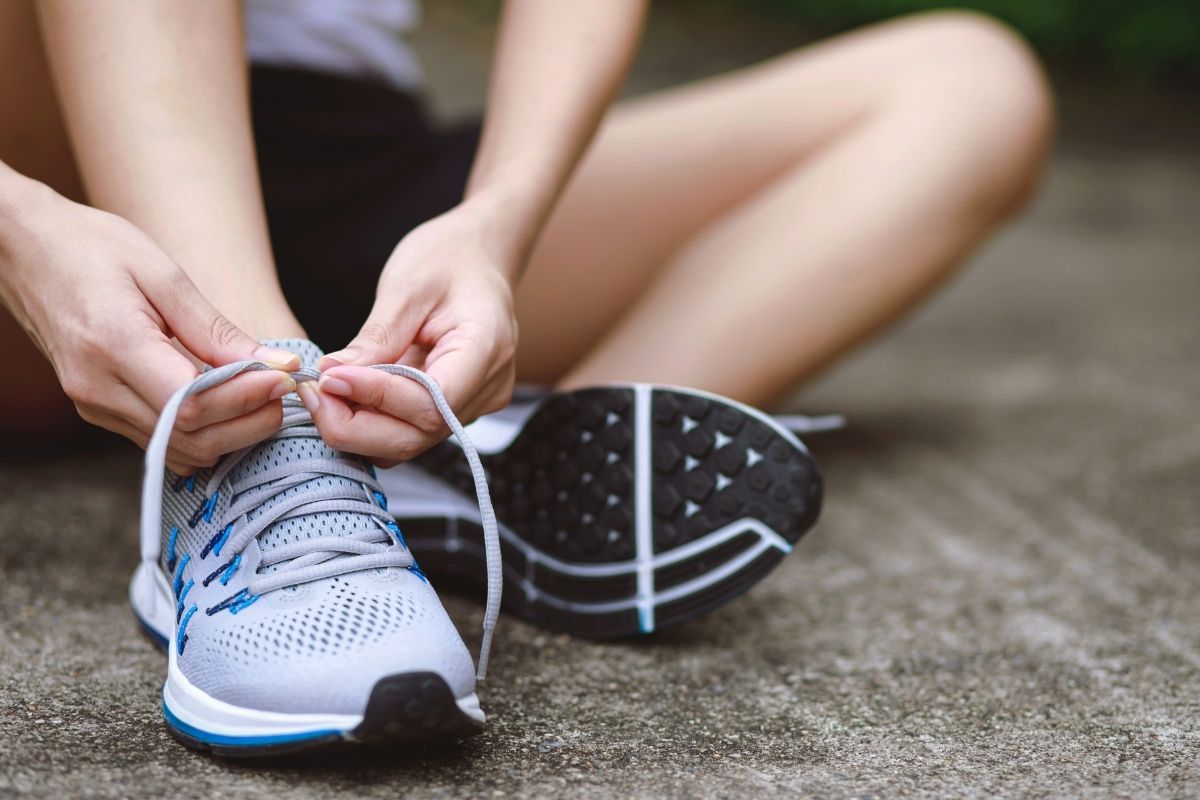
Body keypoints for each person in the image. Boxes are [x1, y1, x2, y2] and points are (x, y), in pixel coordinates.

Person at [0, 0, 1052, 754]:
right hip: (43, 182)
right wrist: (21, 230)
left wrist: (499, 220)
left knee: (968, 86)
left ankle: (471, 464)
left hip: (350, 154)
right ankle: (263, 448)